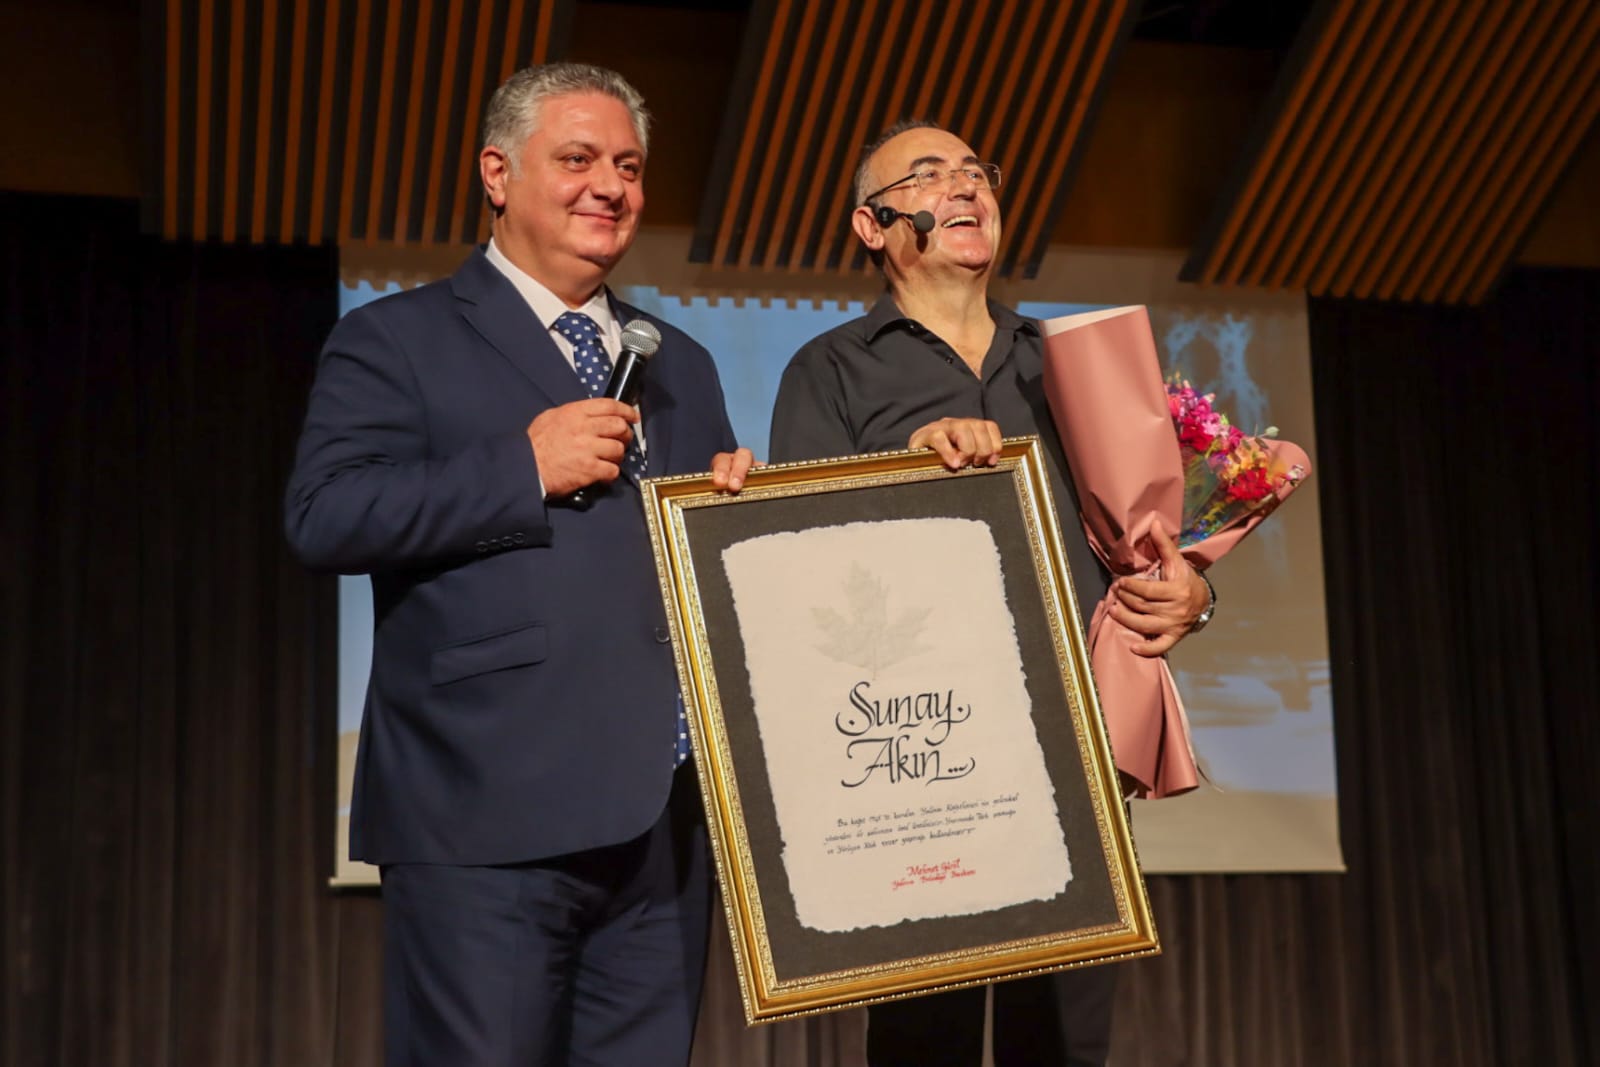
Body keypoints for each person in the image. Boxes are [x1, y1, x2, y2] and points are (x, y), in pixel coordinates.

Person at [285, 62, 753, 1067]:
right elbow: (325, 517)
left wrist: (737, 517)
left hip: (661, 826)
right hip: (483, 814)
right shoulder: (395, 338)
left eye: (628, 166)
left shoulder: (681, 361)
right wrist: (519, 468)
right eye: (578, 158)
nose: (610, 186)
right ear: (497, 173)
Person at [768, 121, 1213, 1066]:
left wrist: (1191, 593)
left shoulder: (1069, 363)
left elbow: (1140, 543)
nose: (967, 187)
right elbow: (798, 569)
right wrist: (904, 468)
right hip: (922, 751)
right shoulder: (830, 369)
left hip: (1075, 738)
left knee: (1066, 1039)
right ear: (872, 225)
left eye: (978, 172)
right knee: (921, 1037)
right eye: (929, 175)